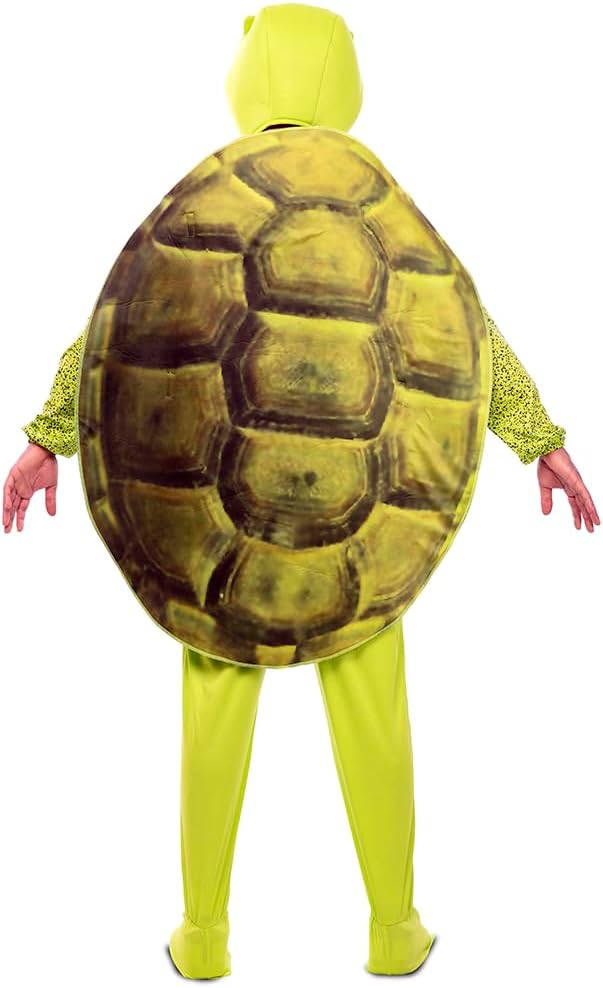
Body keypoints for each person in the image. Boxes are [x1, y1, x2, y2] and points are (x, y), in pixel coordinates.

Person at [2, 3, 600, 980]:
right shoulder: (387, 204)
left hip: (206, 543)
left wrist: (46, 437)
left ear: (248, 78)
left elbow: (126, 317)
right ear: (343, 80)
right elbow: (467, 330)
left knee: (213, 704)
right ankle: (394, 931)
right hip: (367, 533)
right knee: (375, 713)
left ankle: (201, 939)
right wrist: (542, 443)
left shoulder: (201, 195)